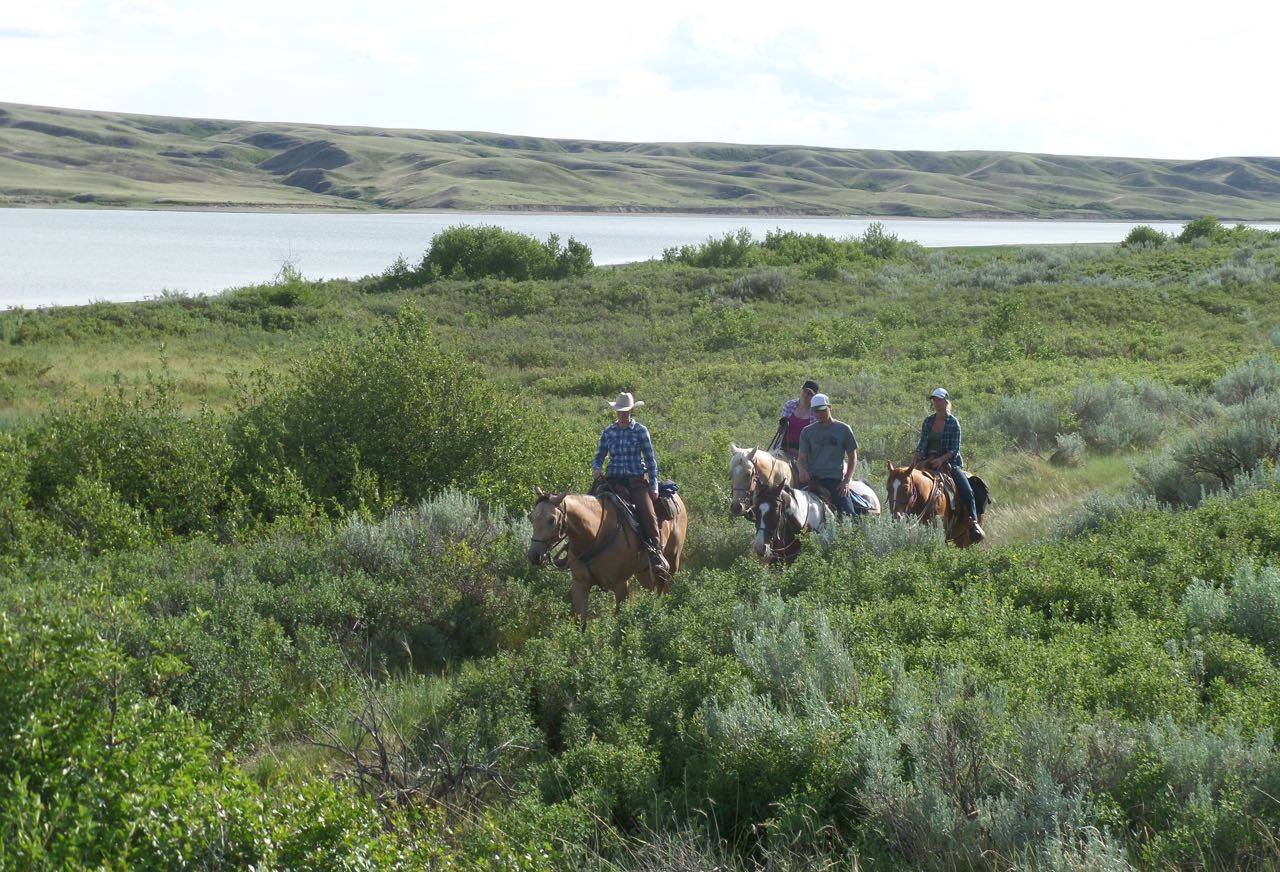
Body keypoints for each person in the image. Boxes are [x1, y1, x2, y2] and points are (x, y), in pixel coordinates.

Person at [593, 391, 670, 577]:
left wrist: (653, 486)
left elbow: (650, 460)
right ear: (616, 412)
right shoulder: (608, 432)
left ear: (631, 412)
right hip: (612, 480)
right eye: (620, 411)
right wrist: (597, 467)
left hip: (635, 481)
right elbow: (599, 456)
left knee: (649, 514)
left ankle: (656, 553)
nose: (623, 414)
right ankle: (580, 550)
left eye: (626, 411)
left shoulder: (640, 431)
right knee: (589, 505)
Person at [914, 387, 985, 541]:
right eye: (934, 399)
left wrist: (941, 459)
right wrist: (917, 457)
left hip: (949, 464)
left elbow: (955, 449)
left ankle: (973, 522)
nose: (935, 402)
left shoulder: (954, 423)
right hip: (927, 462)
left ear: (946, 401)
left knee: (967, 491)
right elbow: (922, 443)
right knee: (907, 485)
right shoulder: (928, 421)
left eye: (938, 399)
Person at [796, 393, 866, 519]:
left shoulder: (843, 429)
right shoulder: (807, 432)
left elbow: (852, 457)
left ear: (830, 407)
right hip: (812, 480)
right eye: (815, 411)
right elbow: (801, 458)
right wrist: (802, 470)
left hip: (834, 481)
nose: (819, 414)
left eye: (822, 410)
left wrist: (846, 481)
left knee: (849, 515)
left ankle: (853, 531)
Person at [775, 379, 820, 459]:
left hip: (804, 453)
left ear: (814, 397)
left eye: (810, 394)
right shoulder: (789, 405)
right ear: (801, 391)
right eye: (804, 391)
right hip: (784, 448)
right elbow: (782, 427)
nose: (806, 395)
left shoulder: (815, 413)